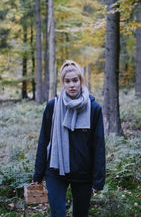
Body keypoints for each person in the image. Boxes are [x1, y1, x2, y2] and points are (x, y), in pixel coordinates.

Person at [33, 60, 105, 217]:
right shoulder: (53, 106)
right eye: (68, 81)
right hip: (56, 170)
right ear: (63, 83)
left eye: (75, 80)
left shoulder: (94, 108)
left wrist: (98, 180)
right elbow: (44, 140)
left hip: (83, 172)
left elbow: (98, 145)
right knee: (57, 213)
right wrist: (38, 174)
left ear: (81, 81)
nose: (72, 85)